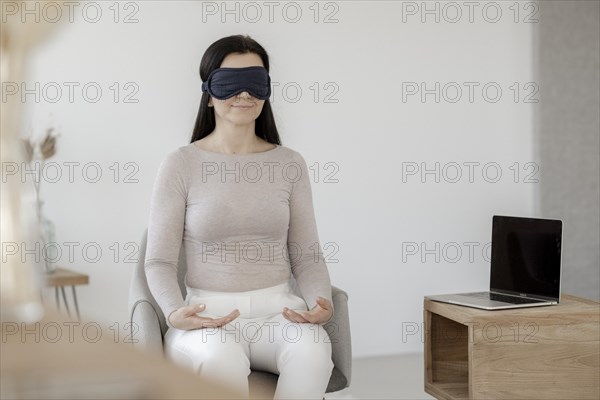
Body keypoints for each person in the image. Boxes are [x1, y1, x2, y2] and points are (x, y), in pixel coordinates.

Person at [144, 34, 335, 400]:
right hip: (206, 318)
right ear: (210, 92)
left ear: (266, 90)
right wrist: (174, 312)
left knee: (312, 353)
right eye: (231, 84)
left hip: (279, 314)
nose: (244, 95)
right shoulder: (181, 164)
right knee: (221, 360)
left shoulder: (289, 164)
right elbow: (159, 260)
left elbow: (308, 255)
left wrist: (319, 301)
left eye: (255, 83)